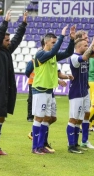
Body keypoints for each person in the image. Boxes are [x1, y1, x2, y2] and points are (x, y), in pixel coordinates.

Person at [0, 10, 28, 158]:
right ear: (0, 40)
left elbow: (17, 40)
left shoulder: (6, 51)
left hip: (5, 90)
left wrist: (23, 24)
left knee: (1, 118)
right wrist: (5, 22)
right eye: (6, 40)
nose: (9, 42)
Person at [31, 26, 75, 155]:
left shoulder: (53, 56)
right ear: (46, 42)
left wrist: (71, 40)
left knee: (47, 118)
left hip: (49, 91)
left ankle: (41, 145)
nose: (55, 45)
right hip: (40, 90)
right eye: (53, 42)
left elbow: (68, 53)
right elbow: (52, 52)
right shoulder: (40, 54)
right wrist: (62, 36)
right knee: (39, 118)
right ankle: (35, 147)